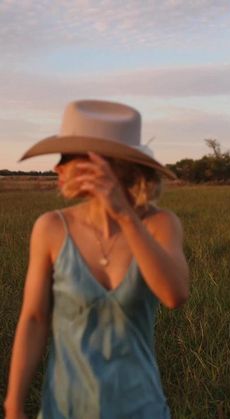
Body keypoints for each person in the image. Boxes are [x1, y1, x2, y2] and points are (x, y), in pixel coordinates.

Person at [4, 100, 189, 419]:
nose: (56, 168)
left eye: (67, 157)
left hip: (142, 409)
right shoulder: (50, 228)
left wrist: (124, 215)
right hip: (64, 410)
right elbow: (34, 318)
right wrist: (14, 405)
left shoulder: (159, 225)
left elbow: (174, 294)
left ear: (109, 164)